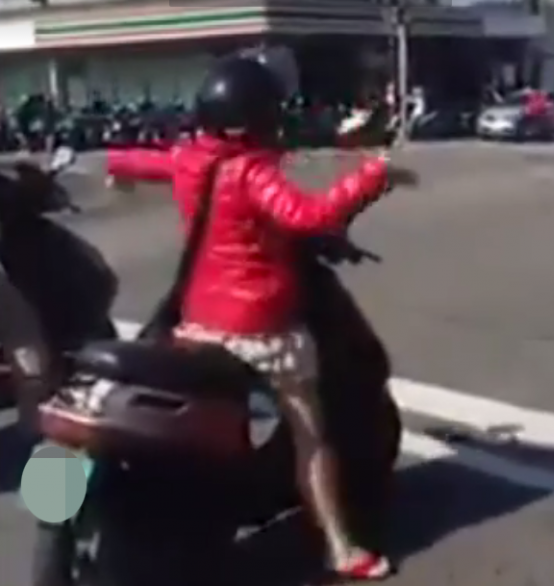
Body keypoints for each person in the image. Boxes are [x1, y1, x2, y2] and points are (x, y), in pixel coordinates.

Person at [106, 55, 393, 580]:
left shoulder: (189, 159)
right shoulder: (251, 171)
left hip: (199, 321)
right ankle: (341, 548)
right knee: (311, 433)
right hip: (259, 328)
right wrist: (377, 176)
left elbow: (140, 161)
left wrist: (115, 168)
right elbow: (308, 216)